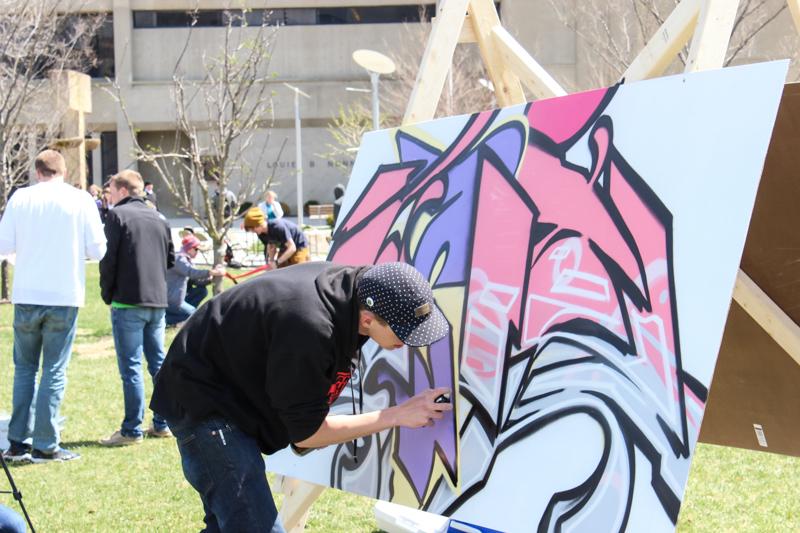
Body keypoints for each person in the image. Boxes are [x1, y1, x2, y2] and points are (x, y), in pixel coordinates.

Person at [150, 261, 451, 531]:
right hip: (205, 406)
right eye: (402, 331)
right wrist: (397, 415)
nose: (409, 341)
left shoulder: (358, 290)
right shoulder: (310, 327)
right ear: (368, 319)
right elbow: (307, 435)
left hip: (224, 393)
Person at [0, 150, 106, 463]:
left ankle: (18, 441)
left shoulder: (21, 198)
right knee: (54, 370)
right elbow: (98, 249)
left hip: (27, 293)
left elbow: (4, 246)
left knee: (25, 369)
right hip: (63, 294)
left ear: (37, 172)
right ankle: (46, 443)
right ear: (63, 171)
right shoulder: (80, 199)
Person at [99, 169, 175, 446]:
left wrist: (107, 294)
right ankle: (163, 422)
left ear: (122, 191)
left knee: (131, 367)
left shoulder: (117, 216)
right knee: (158, 364)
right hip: (157, 301)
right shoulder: (159, 217)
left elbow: (109, 261)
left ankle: (132, 429)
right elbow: (170, 259)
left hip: (127, 301)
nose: (109, 197)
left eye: (110, 191)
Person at [166, 235, 225, 326]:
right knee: (195, 315)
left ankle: (179, 315)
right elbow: (192, 273)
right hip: (172, 300)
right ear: (190, 248)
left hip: (178, 298)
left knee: (201, 291)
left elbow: (195, 280)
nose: (198, 252)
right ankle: (167, 319)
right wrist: (212, 272)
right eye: (196, 249)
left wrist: (211, 279)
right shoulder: (179, 258)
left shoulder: (185, 259)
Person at [243, 207, 309, 267]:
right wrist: (271, 262)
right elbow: (271, 247)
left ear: (259, 224)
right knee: (280, 269)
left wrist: (277, 262)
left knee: (297, 267)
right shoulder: (260, 233)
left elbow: (292, 248)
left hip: (299, 245)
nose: (253, 231)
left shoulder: (277, 227)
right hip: (285, 247)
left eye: (253, 229)